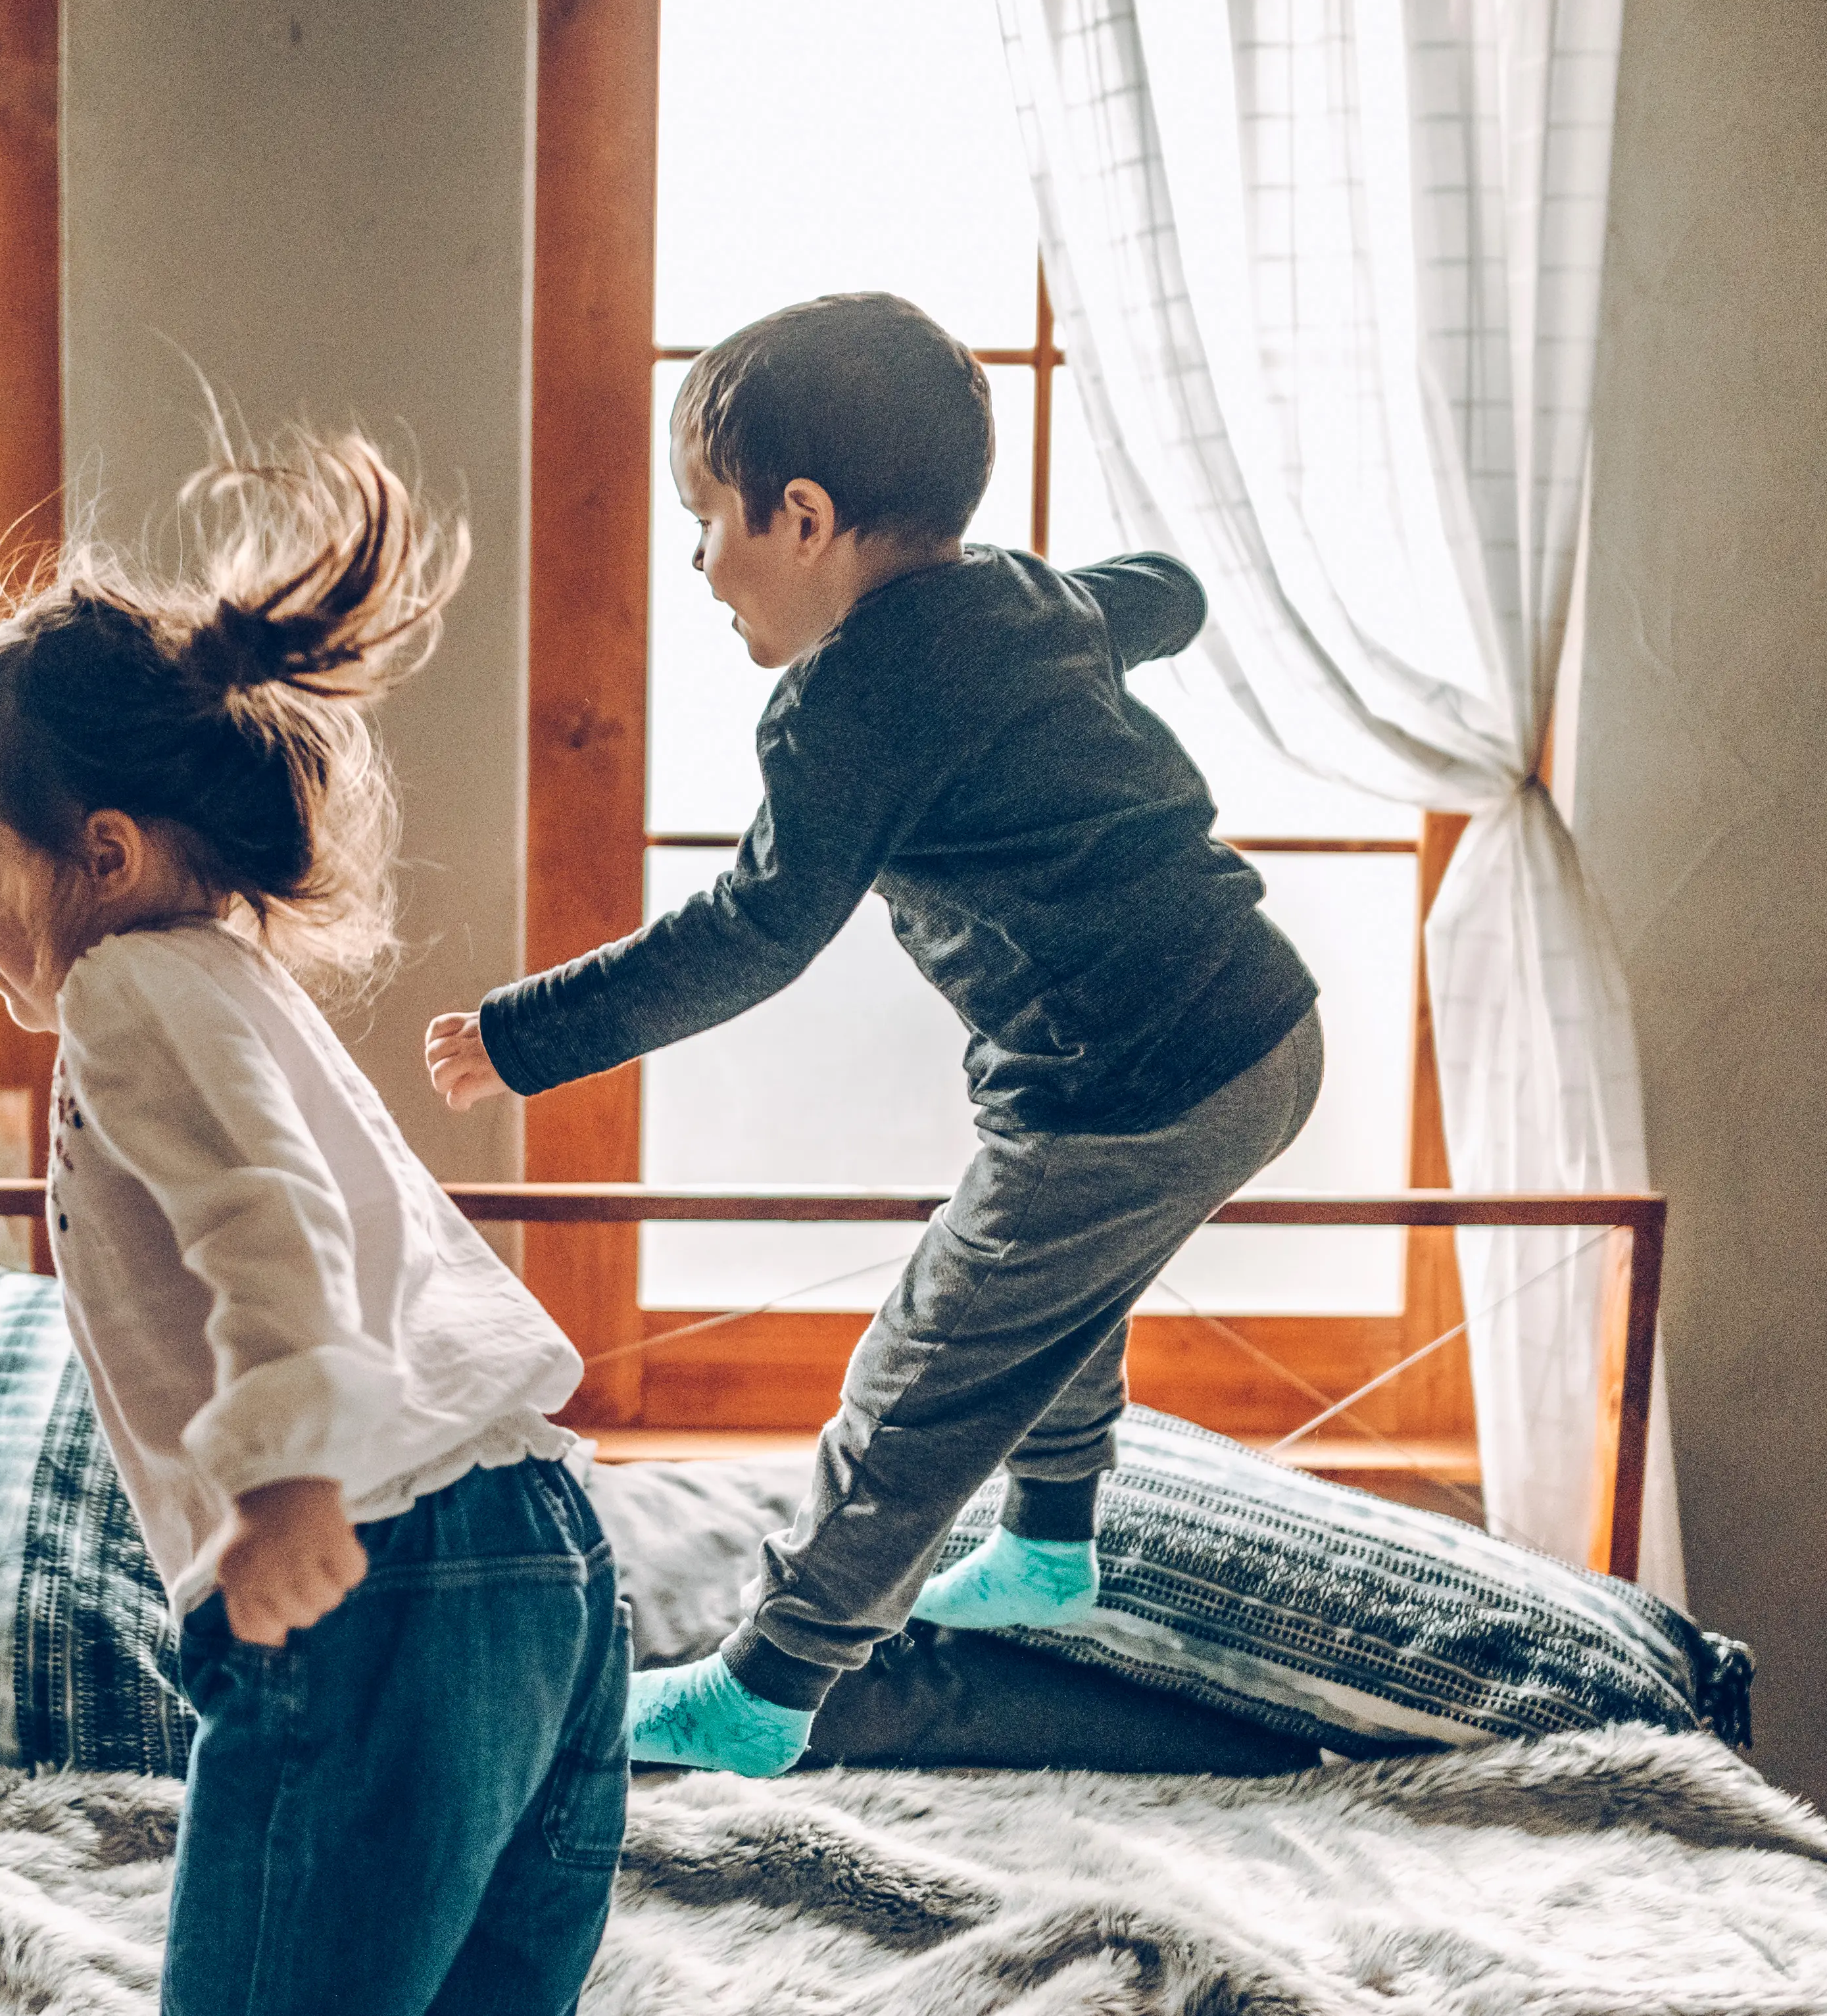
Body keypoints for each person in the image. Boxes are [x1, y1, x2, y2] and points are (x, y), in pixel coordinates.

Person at [0, 426, 712, 2016]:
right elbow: (304, 1211)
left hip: (381, 1581)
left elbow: (266, 1231)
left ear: (103, 855)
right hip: (538, 1553)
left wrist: (295, 1477)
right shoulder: (239, 986)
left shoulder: (136, 995)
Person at [426, 289, 1325, 1779]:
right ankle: (1047, 1540)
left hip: (1126, 1076)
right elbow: (1156, 595)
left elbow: (753, 931)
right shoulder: (1026, 599)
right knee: (1051, 1286)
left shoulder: (843, 705)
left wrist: (526, 1037)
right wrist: (1157, 591)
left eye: (704, 520)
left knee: (927, 1361)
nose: (699, 563)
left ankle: (768, 1686)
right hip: (1260, 1023)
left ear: (801, 514)